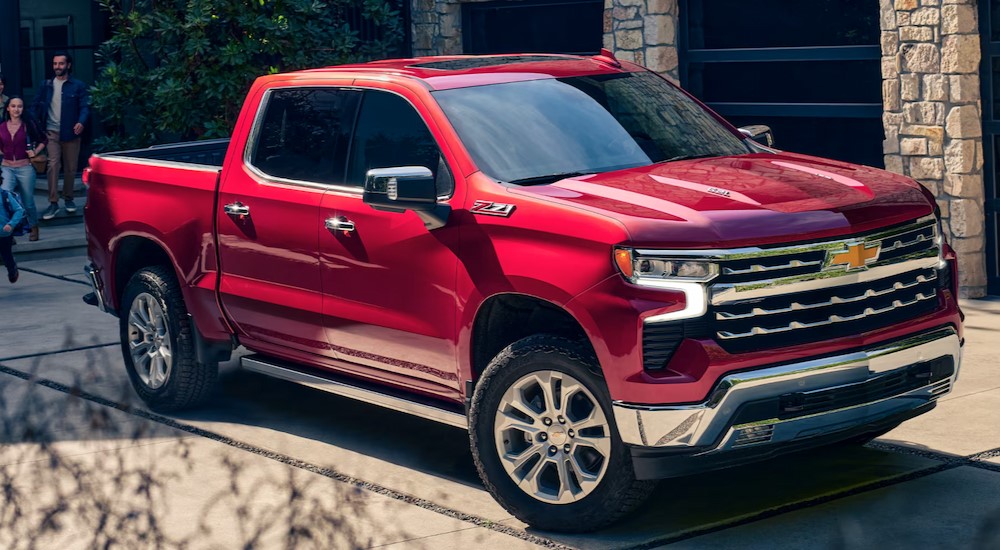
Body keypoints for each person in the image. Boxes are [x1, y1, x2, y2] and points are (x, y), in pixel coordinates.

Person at [32, 52, 89, 221]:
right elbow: (35, 106)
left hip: (71, 133)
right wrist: (35, 127)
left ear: (68, 65)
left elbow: (85, 107)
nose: (57, 67)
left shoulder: (77, 86)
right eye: (55, 63)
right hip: (51, 133)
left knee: (71, 168)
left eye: (61, 63)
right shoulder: (46, 85)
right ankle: (53, 202)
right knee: (53, 165)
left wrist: (81, 122)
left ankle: (69, 198)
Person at [1, 96, 46, 241]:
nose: (16, 109)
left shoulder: (28, 125)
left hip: (25, 167)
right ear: (8, 108)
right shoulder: (2, 126)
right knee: (5, 200)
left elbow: (43, 139)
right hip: (6, 168)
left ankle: (33, 227)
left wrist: (35, 152)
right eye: (13, 106)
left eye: (19, 106)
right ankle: (8, 232)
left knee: (28, 202)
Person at [0, 187, 25, 283]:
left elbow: (19, 210)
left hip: (4, 232)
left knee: (6, 255)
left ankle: (12, 269)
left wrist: (11, 224)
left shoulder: (5, 195)